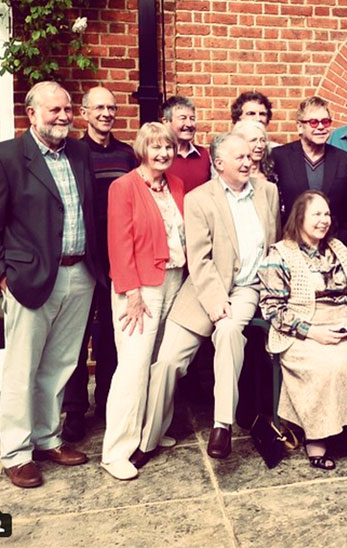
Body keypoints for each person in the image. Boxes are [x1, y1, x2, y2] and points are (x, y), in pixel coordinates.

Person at [135, 133, 280, 463]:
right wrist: (215, 300)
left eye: (249, 156)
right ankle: (148, 440)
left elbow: (276, 244)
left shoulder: (268, 193)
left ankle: (221, 425)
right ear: (218, 164)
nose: (248, 162)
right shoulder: (200, 199)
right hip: (204, 289)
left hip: (247, 289)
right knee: (168, 361)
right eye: (239, 158)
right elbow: (198, 259)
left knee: (229, 331)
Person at [0, 81, 102, 488]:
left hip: (80, 274)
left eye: (67, 109)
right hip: (31, 278)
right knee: (20, 369)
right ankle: (14, 451)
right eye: (54, 110)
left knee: (59, 366)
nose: (63, 116)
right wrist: (4, 274)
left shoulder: (78, 151)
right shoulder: (8, 156)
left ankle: (46, 439)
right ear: (32, 114)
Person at [259, 190, 347, 471]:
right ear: (300, 217)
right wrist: (311, 332)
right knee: (328, 363)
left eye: (327, 214)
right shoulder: (281, 254)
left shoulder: (338, 248)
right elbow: (271, 307)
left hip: (343, 324)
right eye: (316, 214)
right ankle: (317, 437)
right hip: (302, 331)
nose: (324, 220)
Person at [101, 122, 186, 480]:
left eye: (167, 147)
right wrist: (131, 292)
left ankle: (152, 431)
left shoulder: (176, 185)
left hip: (176, 280)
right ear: (142, 150)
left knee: (159, 361)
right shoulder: (124, 187)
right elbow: (118, 243)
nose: (163, 153)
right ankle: (116, 450)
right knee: (133, 366)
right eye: (155, 147)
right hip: (140, 288)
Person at [62, 86, 137, 442]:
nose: (106, 113)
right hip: (84, 255)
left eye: (112, 107)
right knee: (76, 336)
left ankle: (107, 402)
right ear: (85, 112)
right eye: (99, 108)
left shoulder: (126, 155)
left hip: (117, 258)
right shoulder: (74, 152)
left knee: (109, 334)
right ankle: (75, 411)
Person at [271, 96, 347, 249]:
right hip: (292, 243)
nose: (321, 127)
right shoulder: (280, 157)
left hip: (333, 243)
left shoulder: (344, 160)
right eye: (314, 122)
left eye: (326, 122)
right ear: (300, 126)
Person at [162, 95, 211, 192]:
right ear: (166, 122)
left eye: (192, 118)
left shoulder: (204, 155)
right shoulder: (160, 156)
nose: (189, 124)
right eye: (183, 118)